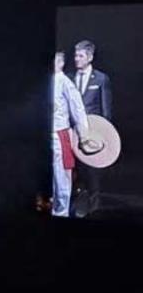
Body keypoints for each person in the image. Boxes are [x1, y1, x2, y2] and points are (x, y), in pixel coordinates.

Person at [52, 52, 97, 217]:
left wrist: (83, 135)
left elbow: (78, 109)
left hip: (59, 135)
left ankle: (61, 212)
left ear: (60, 63)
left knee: (61, 177)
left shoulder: (65, 82)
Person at [72, 40, 113, 216]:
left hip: (94, 132)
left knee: (93, 170)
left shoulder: (102, 79)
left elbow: (106, 110)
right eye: (75, 55)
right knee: (76, 169)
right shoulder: (70, 78)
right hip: (74, 132)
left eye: (80, 56)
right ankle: (78, 203)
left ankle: (95, 206)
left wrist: (103, 133)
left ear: (90, 57)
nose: (76, 59)